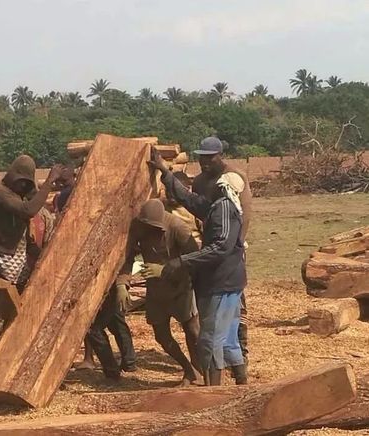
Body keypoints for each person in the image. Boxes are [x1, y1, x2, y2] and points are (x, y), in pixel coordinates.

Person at [149, 147, 248, 386]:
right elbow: (189, 200)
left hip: (221, 282)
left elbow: (220, 247)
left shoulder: (223, 208)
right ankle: (242, 386)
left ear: (223, 187)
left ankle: (213, 392)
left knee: (210, 339)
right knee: (228, 338)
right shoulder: (216, 206)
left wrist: (182, 261)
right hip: (230, 280)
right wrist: (165, 171)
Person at [53, 169, 136, 376]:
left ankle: (113, 370)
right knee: (114, 321)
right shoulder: (88, 226)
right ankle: (128, 361)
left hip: (103, 283)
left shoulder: (91, 229)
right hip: (99, 283)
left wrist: (120, 281)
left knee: (94, 328)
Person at [118, 199, 201, 386]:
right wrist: (122, 284)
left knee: (193, 331)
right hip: (156, 290)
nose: (149, 231)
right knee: (161, 336)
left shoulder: (178, 227)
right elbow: (127, 257)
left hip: (180, 287)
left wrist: (163, 269)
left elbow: (195, 259)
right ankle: (189, 370)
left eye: (153, 227)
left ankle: (200, 370)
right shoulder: (139, 226)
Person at [192, 137, 253, 366]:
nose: (204, 162)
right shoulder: (199, 182)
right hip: (210, 245)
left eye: (209, 157)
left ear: (220, 156)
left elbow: (244, 213)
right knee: (210, 300)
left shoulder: (233, 178)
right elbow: (199, 210)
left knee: (235, 303)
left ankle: (240, 352)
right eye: (201, 157)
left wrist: (236, 245)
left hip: (231, 248)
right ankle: (222, 356)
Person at [0, 155, 62, 292]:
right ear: (12, 177)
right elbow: (28, 210)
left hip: (19, 258)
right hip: (1, 258)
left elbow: (35, 198)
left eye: (26, 183)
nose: (23, 186)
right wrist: (49, 182)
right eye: (21, 181)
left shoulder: (18, 193)